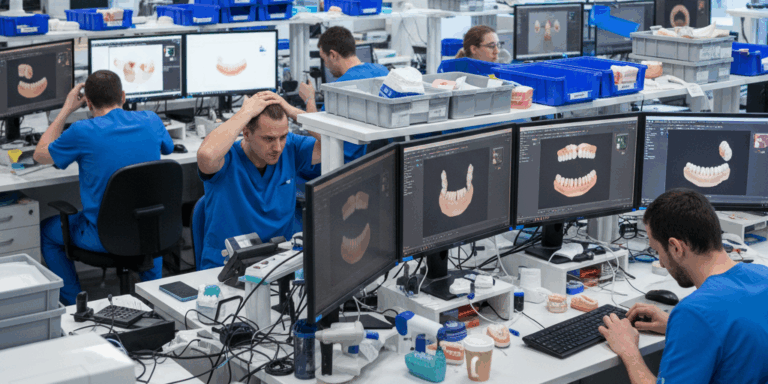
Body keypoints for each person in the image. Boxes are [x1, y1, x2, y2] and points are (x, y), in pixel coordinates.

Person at [598, 188, 768, 384]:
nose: (661, 262)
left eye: (657, 250)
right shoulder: (762, 276)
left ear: (676, 248)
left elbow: (709, 319)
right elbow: (736, 330)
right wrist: (674, 325)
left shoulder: (695, 313)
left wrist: (629, 351)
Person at [34, 70, 174, 305]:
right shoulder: (151, 119)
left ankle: (75, 303)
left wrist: (66, 110)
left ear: (87, 102)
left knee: (47, 231)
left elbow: (40, 154)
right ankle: (154, 299)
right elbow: (168, 148)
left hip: (102, 236)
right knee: (148, 220)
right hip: (148, 233)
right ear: (123, 96)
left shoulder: (82, 131)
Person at [196, 92, 321, 269]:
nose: (277, 147)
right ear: (246, 133)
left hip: (277, 266)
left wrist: (291, 110)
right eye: (268, 139)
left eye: (282, 137)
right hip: (227, 269)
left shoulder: (291, 147)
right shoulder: (226, 159)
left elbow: (339, 140)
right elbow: (206, 155)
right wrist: (244, 113)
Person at [298, 25, 389, 163]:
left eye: (324, 59)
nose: (326, 65)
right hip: (380, 159)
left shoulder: (339, 89)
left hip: (346, 162)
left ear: (333, 55)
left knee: (295, 153)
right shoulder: (383, 72)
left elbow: (321, 133)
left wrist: (309, 99)